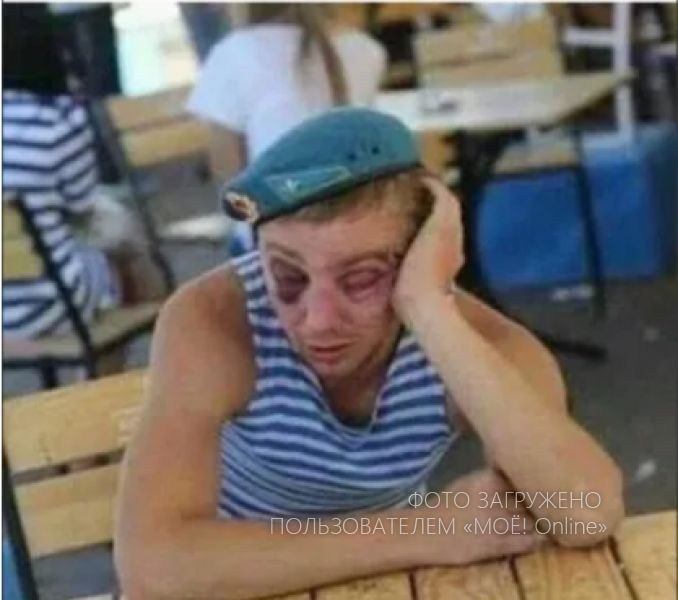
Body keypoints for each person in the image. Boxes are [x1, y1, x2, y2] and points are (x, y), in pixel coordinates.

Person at [115, 108, 624, 599]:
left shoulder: (472, 341)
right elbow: (154, 567)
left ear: (422, 257)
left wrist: (428, 307)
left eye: (361, 279)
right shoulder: (216, 318)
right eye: (288, 276)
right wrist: (426, 532)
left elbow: (583, 511)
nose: (318, 319)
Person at [2, 4, 164, 339]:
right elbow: (82, 207)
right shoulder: (58, 117)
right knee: (125, 242)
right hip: (54, 304)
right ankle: (137, 352)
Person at [187, 3, 387, 255]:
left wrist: (247, 229)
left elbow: (228, 171)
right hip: (358, 234)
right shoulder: (366, 49)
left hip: (273, 243)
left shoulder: (233, 53)